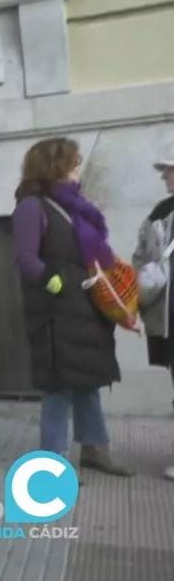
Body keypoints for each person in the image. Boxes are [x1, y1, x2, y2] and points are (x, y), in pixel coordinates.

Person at [11, 137, 132, 477]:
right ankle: (54, 462)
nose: (78, 167)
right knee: (58, 388)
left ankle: (95, 449)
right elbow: (26, 259)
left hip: (86, 308)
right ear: (53, 165)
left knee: (88, 382)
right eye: (73, 162)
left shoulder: (77, 206)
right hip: (54, 312)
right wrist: (56, 284)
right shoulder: (31, 207)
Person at [134, 147, 174, 480]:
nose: (164, 176)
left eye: (169, 170)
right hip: (166, 314)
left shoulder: (158, 214)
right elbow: (140, 257)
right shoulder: (158, 213)